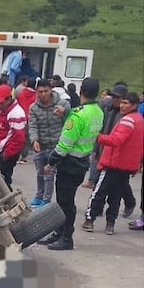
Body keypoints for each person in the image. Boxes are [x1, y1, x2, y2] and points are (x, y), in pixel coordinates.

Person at [38, 78, 103, 251]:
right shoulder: (97, 111)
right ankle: (59, 233)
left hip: (70, 163)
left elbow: (64, 144)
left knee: (65, 203)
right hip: (82, 161)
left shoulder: (77, 115)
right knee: (64, 201)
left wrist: (50, 163)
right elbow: (85, 132)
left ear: (81, 91)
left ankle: (66, 237)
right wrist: (66, 115)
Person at [83, 92, 144, 235]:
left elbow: (116, 140)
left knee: (98, 193)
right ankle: (110, 224)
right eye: (122, 102)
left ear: (134, 105)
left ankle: (89, 220)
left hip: (113, 164)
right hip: (127, 166)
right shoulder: (139, 119)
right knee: (115, 197)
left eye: (126, 103)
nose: (122, 106)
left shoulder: (127, 121)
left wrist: (97, 137)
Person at [27, 78, 70, 208]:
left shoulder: (63, 104)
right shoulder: (33, 108)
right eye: (40, 92)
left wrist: (65, 113)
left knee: (49, 174)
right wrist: (34, 140)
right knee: (40, 173)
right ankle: (39, 196)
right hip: (41, 145)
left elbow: (72, 120)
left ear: (51, 90)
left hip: (56, 145)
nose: (43, 94)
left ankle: (46, 200)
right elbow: (32, 125)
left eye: (46, 91)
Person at [0, 83, 25, 189]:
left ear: (9, 99)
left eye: (1, 103)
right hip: (1, 148)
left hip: (8, 152)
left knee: (3, 180)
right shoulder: (4, 110)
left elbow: (18, 139)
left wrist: (6, 154)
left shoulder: (16, 114)